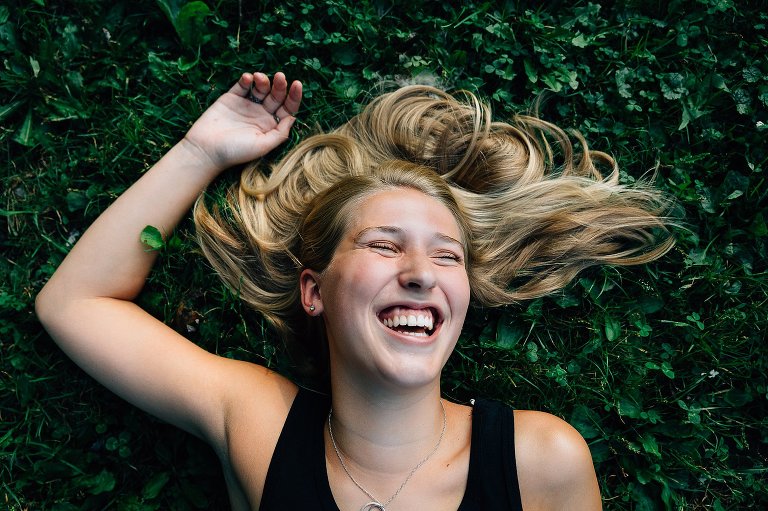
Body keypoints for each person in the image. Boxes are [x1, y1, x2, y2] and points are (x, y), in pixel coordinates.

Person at [37, 71, 673, 510]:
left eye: (446, 256)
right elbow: (75, 304)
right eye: (384, 245)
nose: (421, 271)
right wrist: (199, 151)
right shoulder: (258, 423)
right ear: (314, 292)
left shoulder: (541, 459)